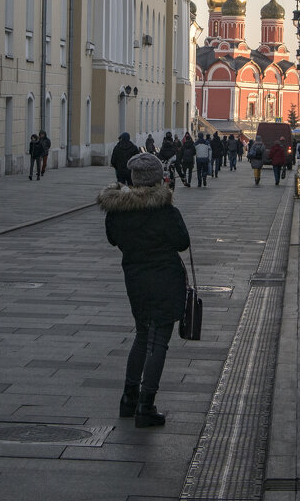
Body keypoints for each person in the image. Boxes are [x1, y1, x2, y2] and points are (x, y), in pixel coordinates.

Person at [98, 151, 191, 428]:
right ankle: (146, 405)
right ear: (158, 180)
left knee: (141, 335)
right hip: (164, 279)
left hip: (135, 279)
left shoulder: (120, 211)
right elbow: (182, 242)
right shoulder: (165, 211)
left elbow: (113, 239)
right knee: (159, 340)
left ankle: (129, 398)